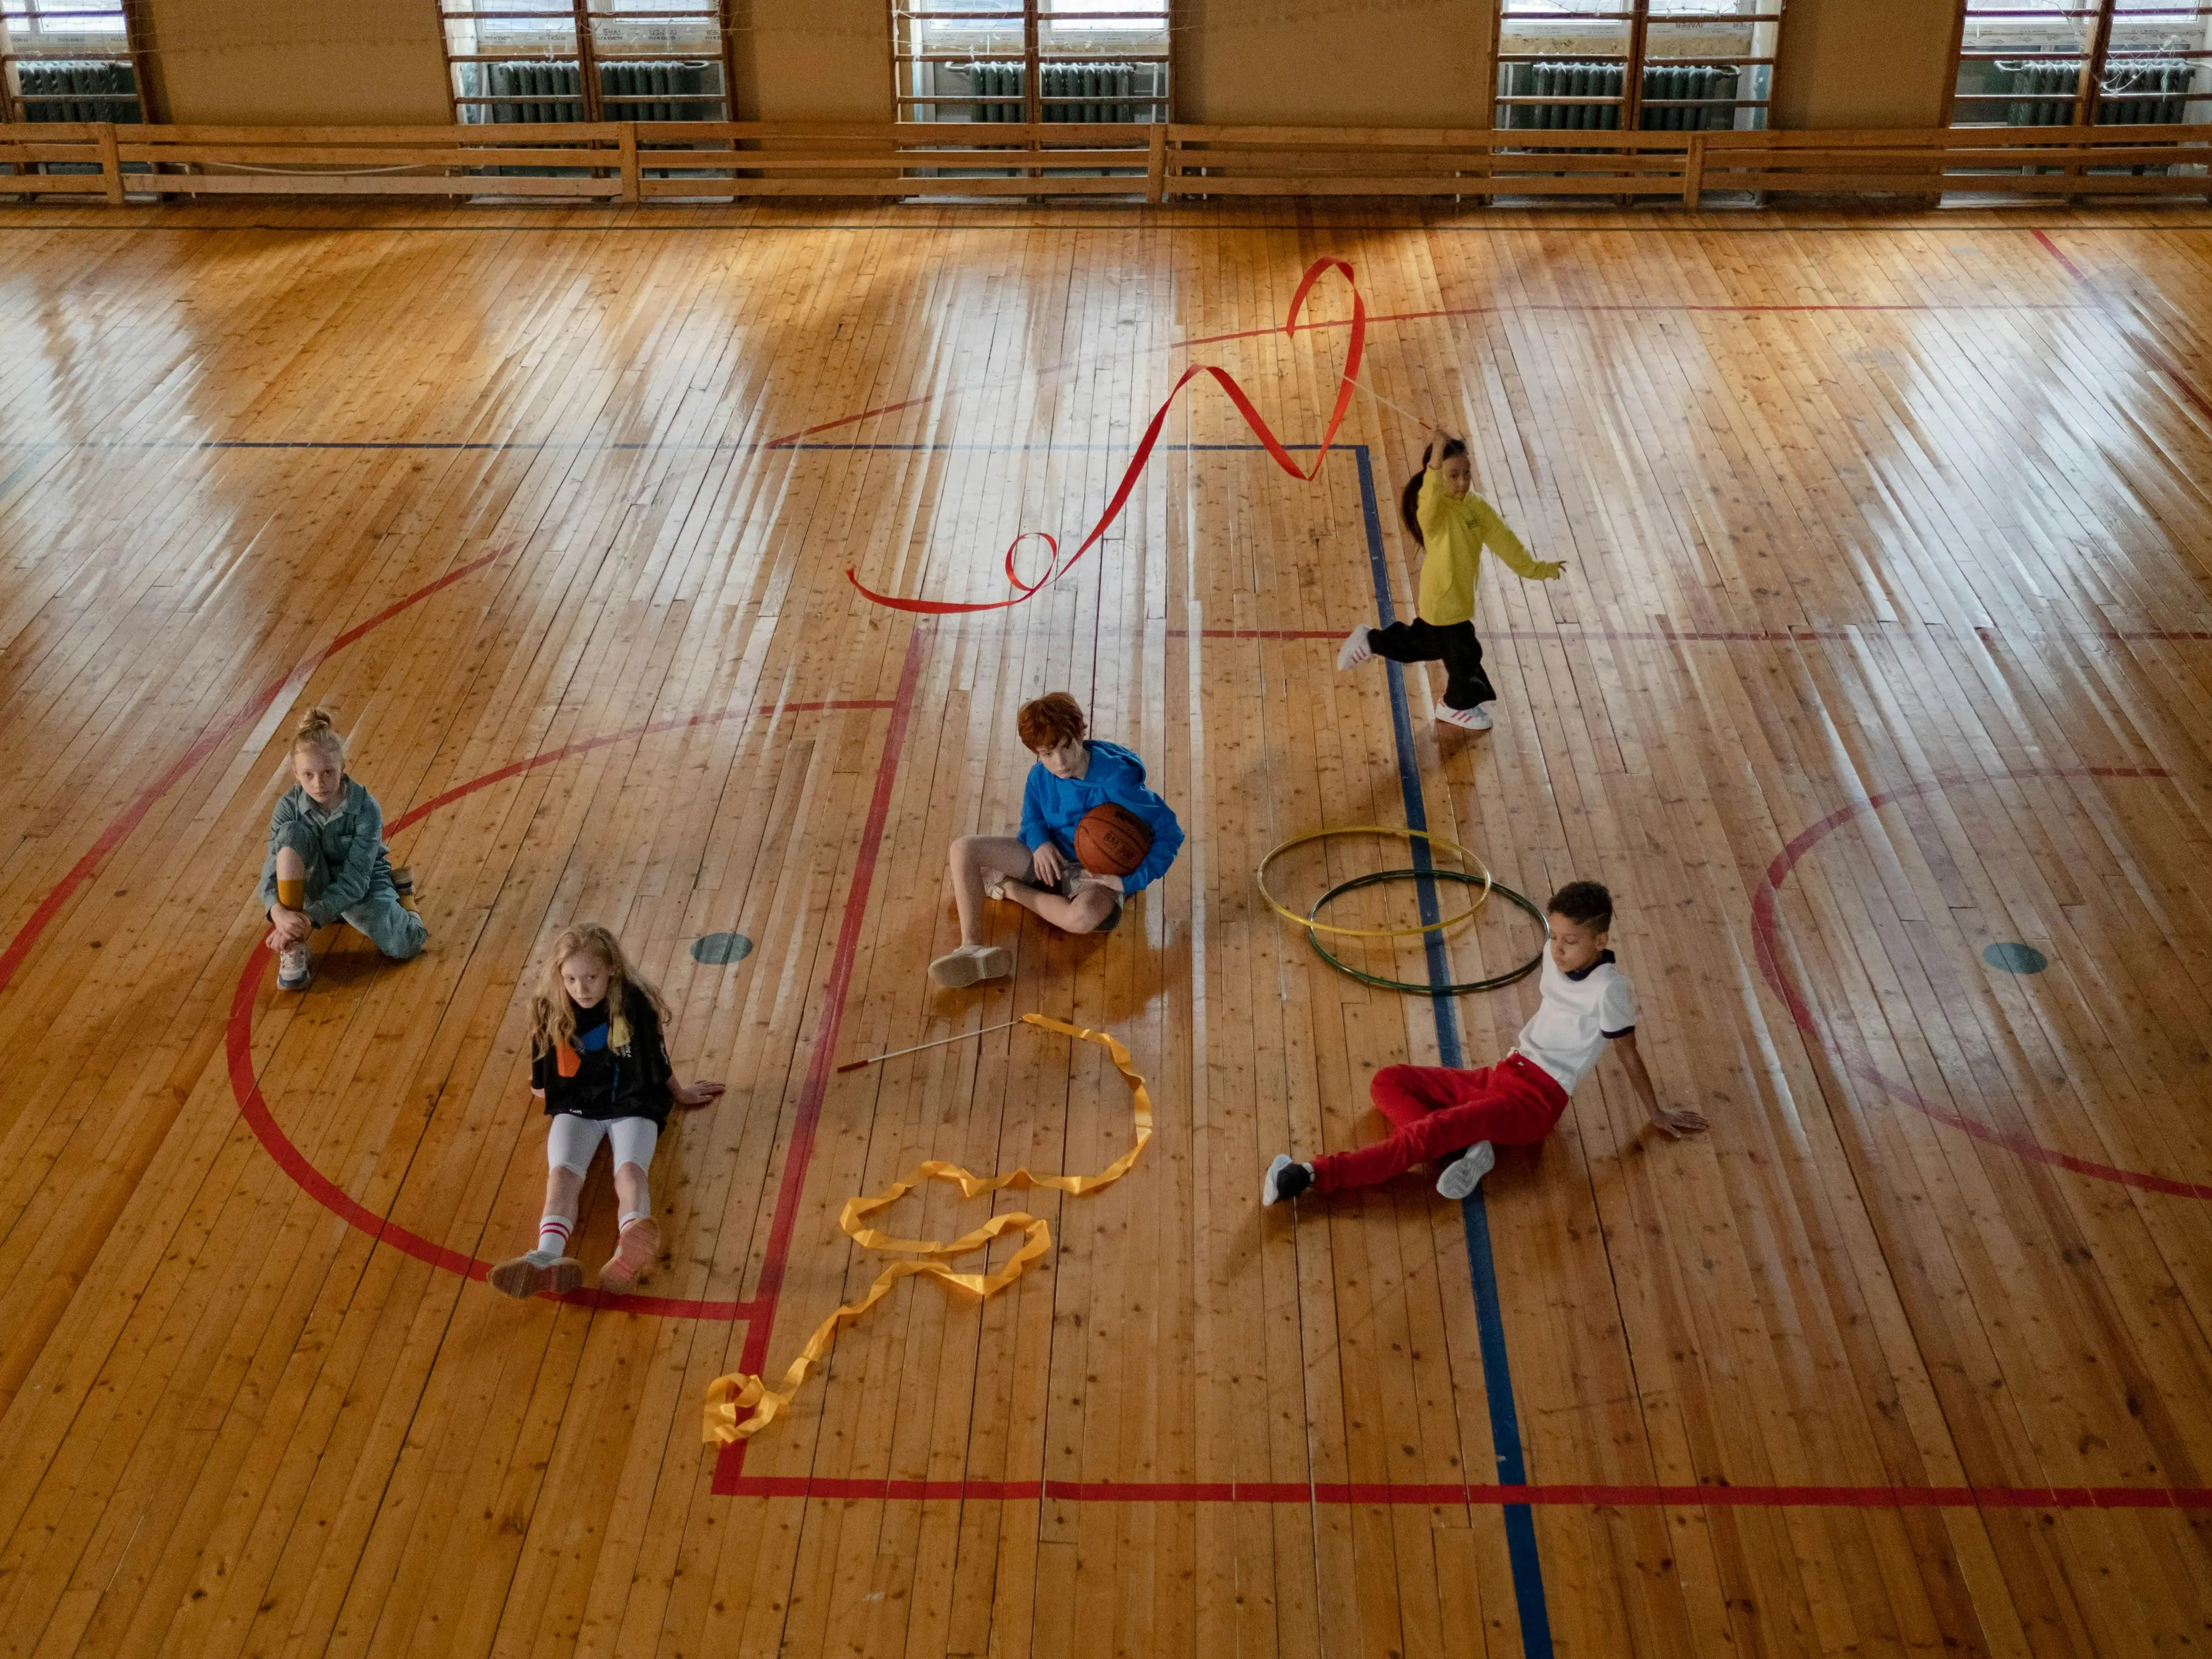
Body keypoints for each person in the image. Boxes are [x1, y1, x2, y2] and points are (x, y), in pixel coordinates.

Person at [1262, 880, 1705, 1205]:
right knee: (1388, 1081)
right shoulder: (1558, 959)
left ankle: (1311, 1174)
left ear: (1601, 940)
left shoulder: (1611, 990)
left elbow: (1627, 1051)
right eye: (1553, 936)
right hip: (1504, 1073)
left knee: (1430, 1129)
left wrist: (1656, 1111)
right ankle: (1466, 1150)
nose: (1557, 950)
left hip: (1536, 1101)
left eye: (1570, 942)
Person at [489, 923, 724, 1299]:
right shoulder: (548, 1007)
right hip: (577, 1109)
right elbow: (541, 1069)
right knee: (562, 1177)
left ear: (612, 970)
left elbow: (657, 1058)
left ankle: (628, 1247)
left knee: (630, 1171)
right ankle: (546, 1257)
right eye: (571, 979)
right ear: (559, 976)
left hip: (633, 1102)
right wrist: (543, 1085)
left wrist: (679, 1091)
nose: (581, 988)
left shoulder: (635, 1005)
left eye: (591, 977)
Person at [929, 691, 1184, 989]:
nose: (1060, 761)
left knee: (1081, 920)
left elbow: (1170, 833)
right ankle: (971, 949)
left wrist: (1130, 881)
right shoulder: (1039, 776)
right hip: (1052, 861)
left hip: (1097, 875)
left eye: (1066, 746)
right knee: (963, 849)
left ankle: (1007, 887)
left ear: (1079, 734)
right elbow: (1032, 821)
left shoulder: (1118, 781)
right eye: (1047, 753)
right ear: (1036, 753)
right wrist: (1040, 843)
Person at [1338, 428, 1563, 732]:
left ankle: (1373, 640)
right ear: (1438, 476)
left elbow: (1505, 542)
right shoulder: (1434, 512)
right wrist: (1436, 451)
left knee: (1425, 646)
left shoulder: (1477, 507)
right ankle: (1455, 705)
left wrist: (1537, 568)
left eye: (1466, 473)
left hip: (1458, 600)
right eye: (1453, 475)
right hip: (1443, 600)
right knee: (1464, 655)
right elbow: (1428, 497)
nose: (1462, 482)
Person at [258, 706, 426, 993]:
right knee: (290, 835)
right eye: (308, 774)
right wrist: (278, 913)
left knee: (406, 944)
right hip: (315, 884)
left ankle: (405, 896)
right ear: (295, 773)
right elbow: (272, 868)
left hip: (358, 885)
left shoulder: (366, 809)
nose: (319, 783)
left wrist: (310, 918)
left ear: (343, 767)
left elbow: (356, 880)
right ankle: (294, 945)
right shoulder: (287, 806)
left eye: (328, 773)